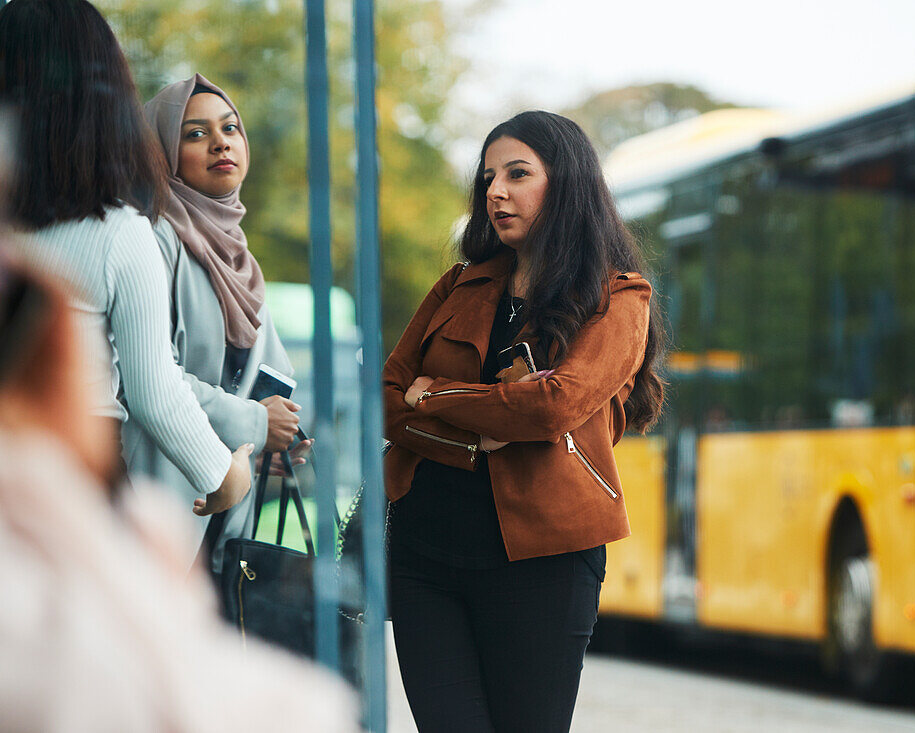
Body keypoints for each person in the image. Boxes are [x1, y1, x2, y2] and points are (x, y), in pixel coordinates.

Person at [383, 110, 667, 732]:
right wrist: (473, 434)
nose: (496, 192)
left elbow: (552, 407)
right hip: (423, 554)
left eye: (518, 174)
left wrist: (431, 400)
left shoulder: (619, 298)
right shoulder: (460, 283)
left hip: (544, 562)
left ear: (565, 183)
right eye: (488, 177)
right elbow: (387, 396)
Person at [0, 254, 359, 732]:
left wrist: (262, 445)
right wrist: (246, 433)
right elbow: (155, 383)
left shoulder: (240, 257)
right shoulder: (144, 239)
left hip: (218, 495)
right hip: (176, 490)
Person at [0, 0, 252, 522]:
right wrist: (223, 474)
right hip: (69, 477)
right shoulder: (121, 231)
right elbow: (153, 388)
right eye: (196, 132)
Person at [135, 73, 309, 568]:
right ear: (161, 153)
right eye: (194, 134)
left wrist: (278, 441)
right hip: (163, 502)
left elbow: (261, 377)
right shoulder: (155, 241)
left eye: (230, 128)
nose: (220, 143)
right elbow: (148, 376)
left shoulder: (240, 258)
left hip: (223, 510)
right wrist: (256, 421)